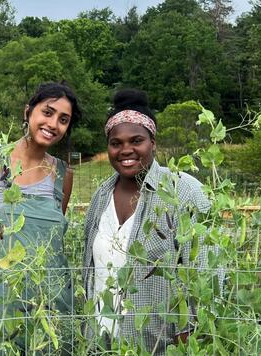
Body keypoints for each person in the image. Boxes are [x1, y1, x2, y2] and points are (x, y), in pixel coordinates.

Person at [0, 82, 81, 354]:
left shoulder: (62, 175)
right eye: (47, 112)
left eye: (63, 120)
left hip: (50, 311)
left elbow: (51, 243)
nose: (53, 123)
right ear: (28, 112)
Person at [82, 89, 211, 355]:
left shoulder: (182, 190)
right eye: (115, 143)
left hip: (159, 345)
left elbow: (205, 272)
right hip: (100, 343)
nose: (125, 150)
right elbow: (89, 271)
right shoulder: (100, 196)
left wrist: (190, 339)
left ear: (153, 142)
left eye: (136, 140)